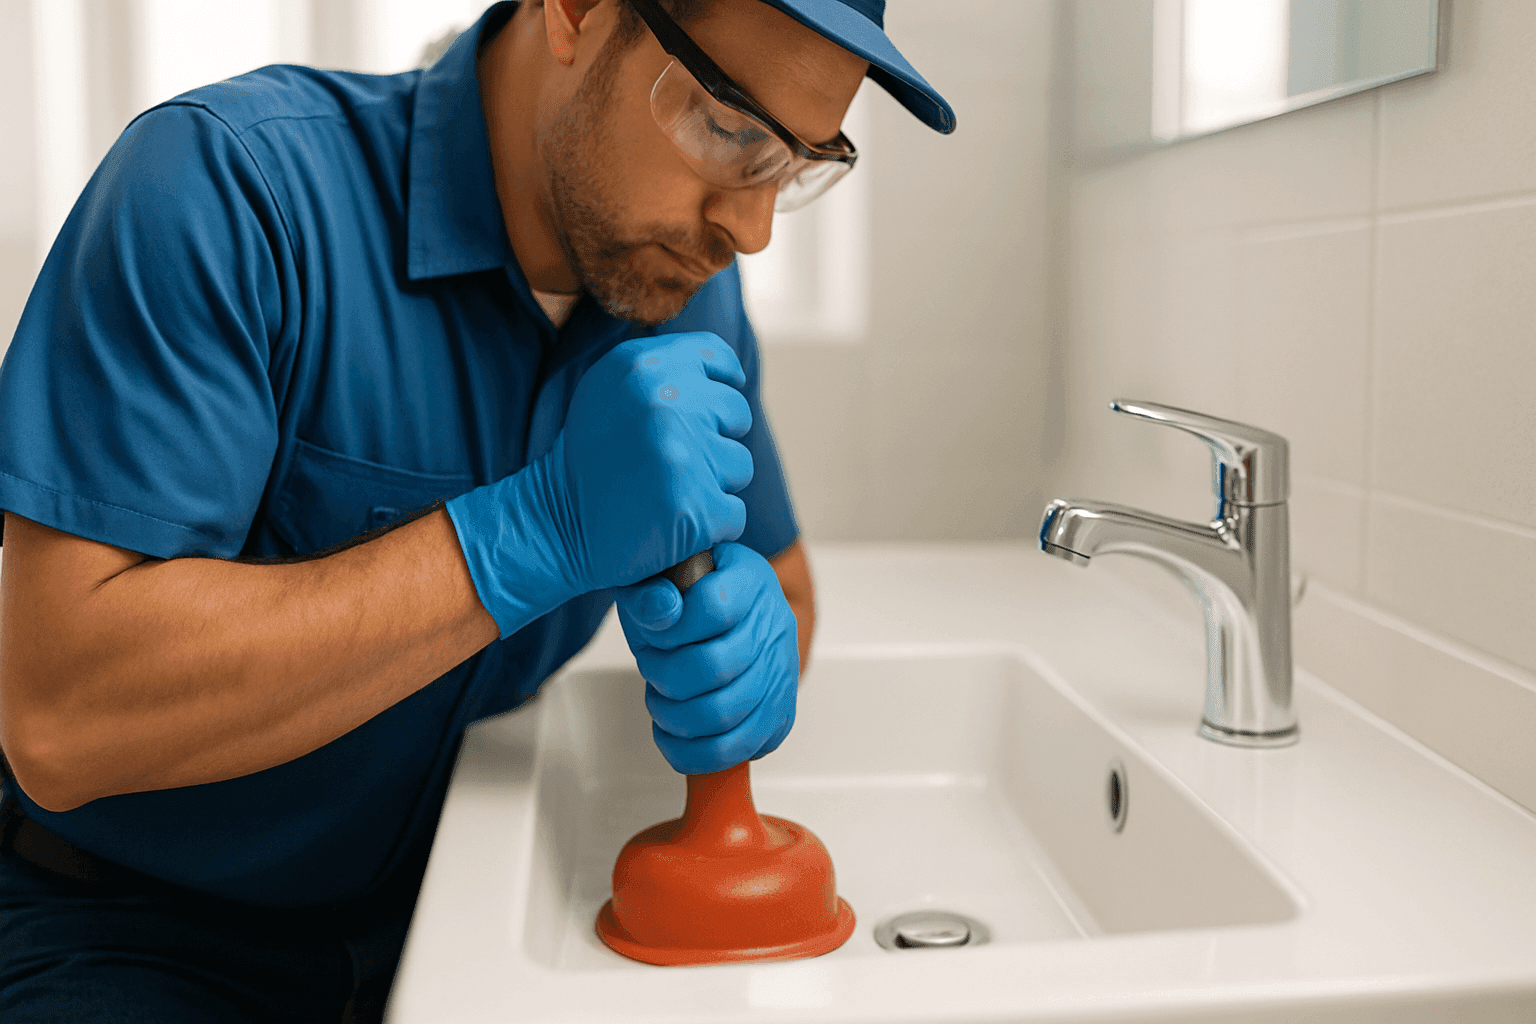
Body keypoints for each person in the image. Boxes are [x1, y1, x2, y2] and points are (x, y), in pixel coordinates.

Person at [0, 0, 954, 1019]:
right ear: (577, 12)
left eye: (795, 165)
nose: (751, 231)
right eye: (728, 130)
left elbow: (787, 583)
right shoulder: (228, 190)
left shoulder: (676, 281)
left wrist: (754, 647)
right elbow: (57, 721)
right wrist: (527, 534)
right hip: (128, 936)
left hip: (453, 915)